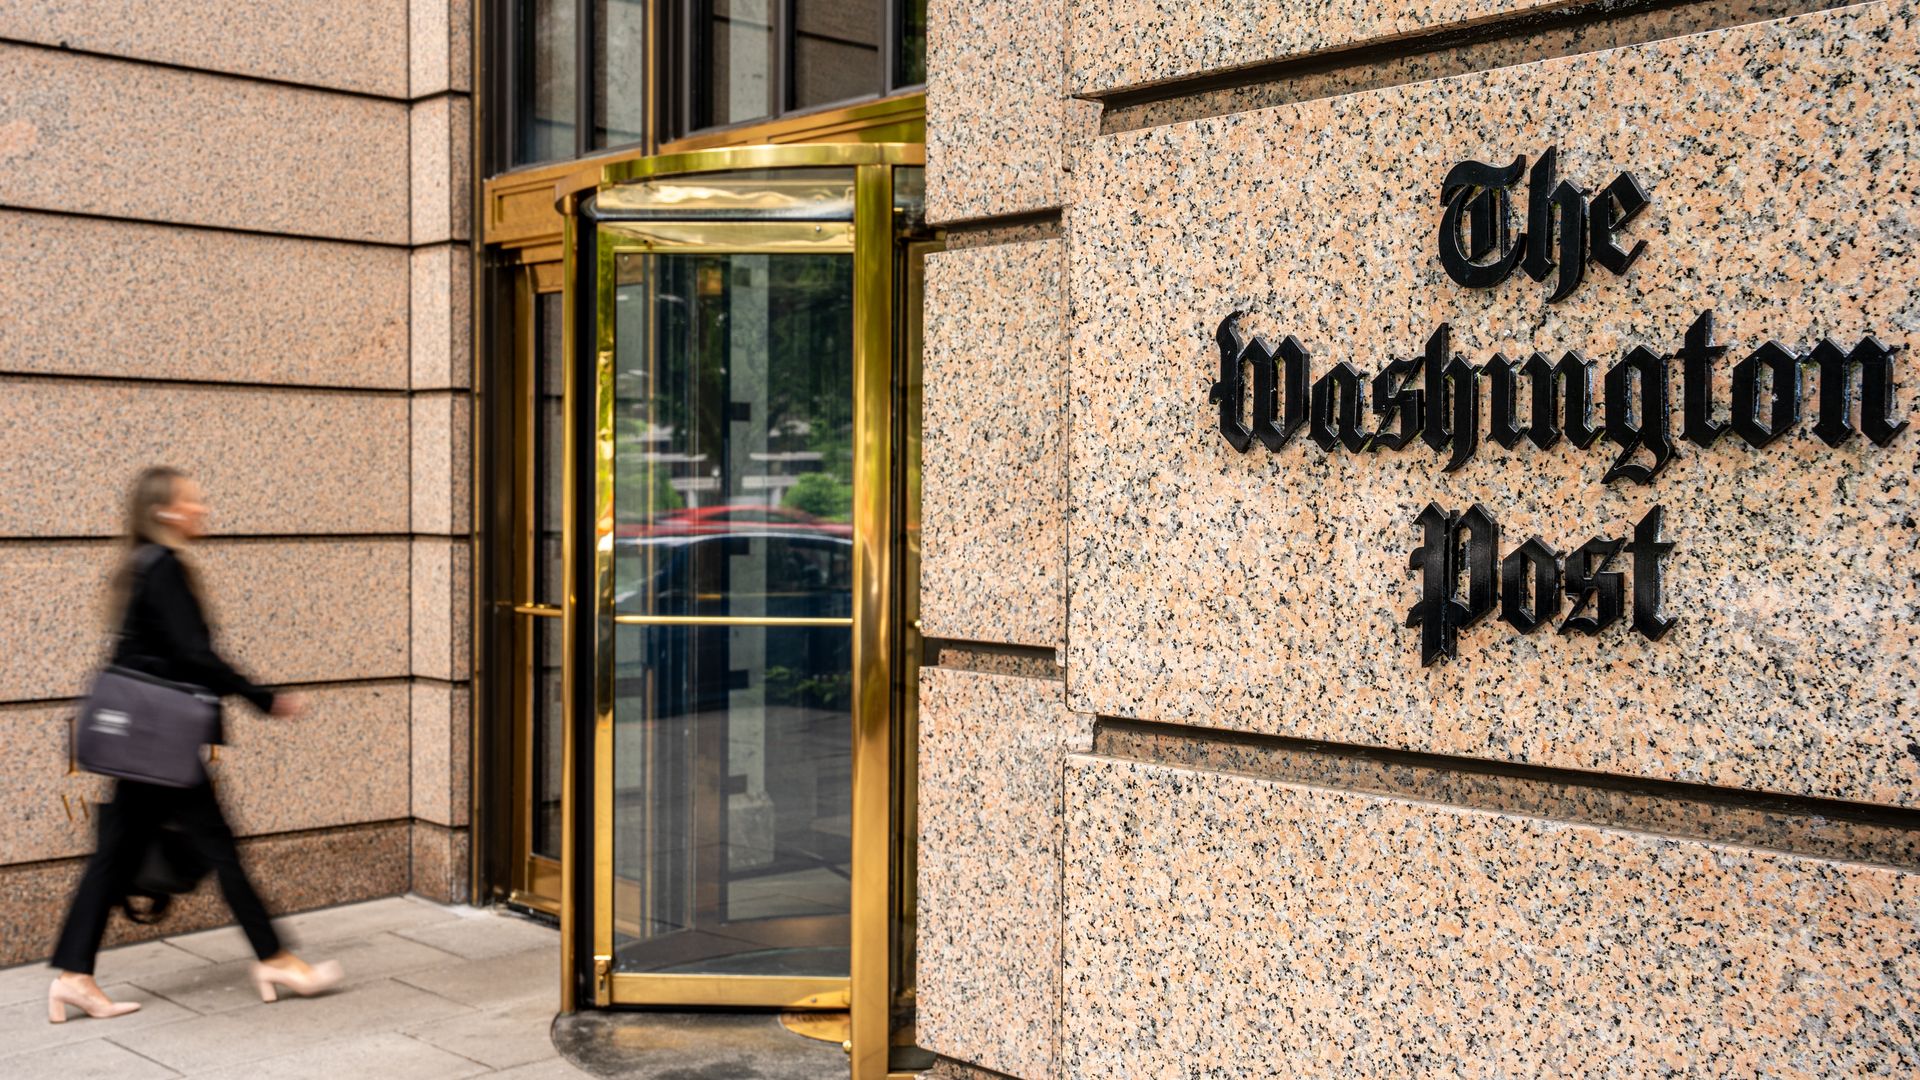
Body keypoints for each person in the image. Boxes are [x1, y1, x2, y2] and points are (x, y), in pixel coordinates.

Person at [48, 466, 342, 1023]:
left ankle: (73, 976)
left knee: (116, 855)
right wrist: (261, 697)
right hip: (160, 742)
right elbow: (193, 656)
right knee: (216, 847)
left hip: (148, 741)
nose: (202, 509)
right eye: (192, 501)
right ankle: (275, 958)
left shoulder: (143, 566)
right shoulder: (163, 567)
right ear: (165, 512)